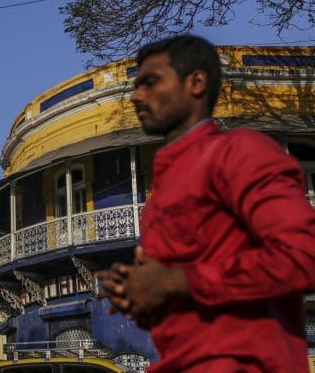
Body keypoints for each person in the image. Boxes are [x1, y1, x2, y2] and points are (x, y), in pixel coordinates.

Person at [96, 35, 315, 372]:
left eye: (150, 82)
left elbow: (304, 255)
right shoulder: (158, 199)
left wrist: (174, 281)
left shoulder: (239, 151)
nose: (137, 96)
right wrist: (139, 295)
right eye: (136, 85)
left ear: (195, 82)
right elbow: (182, 314)